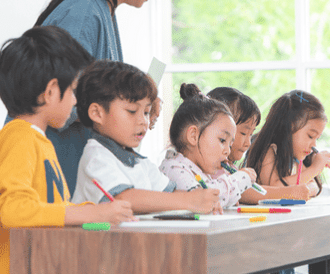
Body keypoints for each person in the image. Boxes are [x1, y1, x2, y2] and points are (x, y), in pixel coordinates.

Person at [0, 0, 166, 242]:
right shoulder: (83, 14)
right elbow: (17, 211)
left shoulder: (101, 10)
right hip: (37, 220)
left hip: (53, 213)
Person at [0, 26, 134, 274]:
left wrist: (95, 213)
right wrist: (91, 215)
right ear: (51, 91)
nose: (75, 100)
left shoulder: (38, 141)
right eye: (72, 90)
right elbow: (13, 211)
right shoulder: (20, 140)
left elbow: (50, 208)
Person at [71, 61, 221, 214]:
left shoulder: (140, 162)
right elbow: (125, 198)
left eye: (146, 112)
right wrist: (189, 201)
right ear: (97, 113)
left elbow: (168, 194)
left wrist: (201, 198)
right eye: (131, 111)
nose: (143, 120)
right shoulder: (96, 157)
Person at [207, 87, 318, 204]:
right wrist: (289, 193)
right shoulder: (211, 169)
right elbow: (245, 192)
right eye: (244, 133)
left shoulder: (228, 167)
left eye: (251, 134)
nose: (248, 143)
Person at [159, 84, 257, 210]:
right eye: (222, 140)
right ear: (194, 136)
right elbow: (202, 198)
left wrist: (229, 199)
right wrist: (238, 180)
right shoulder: (173, 167)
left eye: (230, 144)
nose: (227, 150)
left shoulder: (201, 172)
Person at [246, 90, 330, 197]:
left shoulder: (295, 158)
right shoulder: (269, 151)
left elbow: (314, 185)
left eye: (317, 138)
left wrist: (306, 186)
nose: (314, 145)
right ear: (288, 128)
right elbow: (274, 188)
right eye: (310, 136)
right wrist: (314, 169)